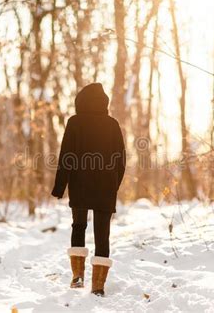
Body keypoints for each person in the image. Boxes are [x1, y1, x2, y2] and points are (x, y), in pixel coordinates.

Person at [51, 83, 126, 296]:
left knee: (79, 226)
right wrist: (114, 184)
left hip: (80, 184)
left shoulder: (74, 123)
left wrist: (60, 187)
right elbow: (121, 160)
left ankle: (77, 277)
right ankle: (98, 286)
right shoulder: (112, 125)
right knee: (103, 234)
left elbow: (67, 156)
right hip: (105, 186)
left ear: (80, 102)